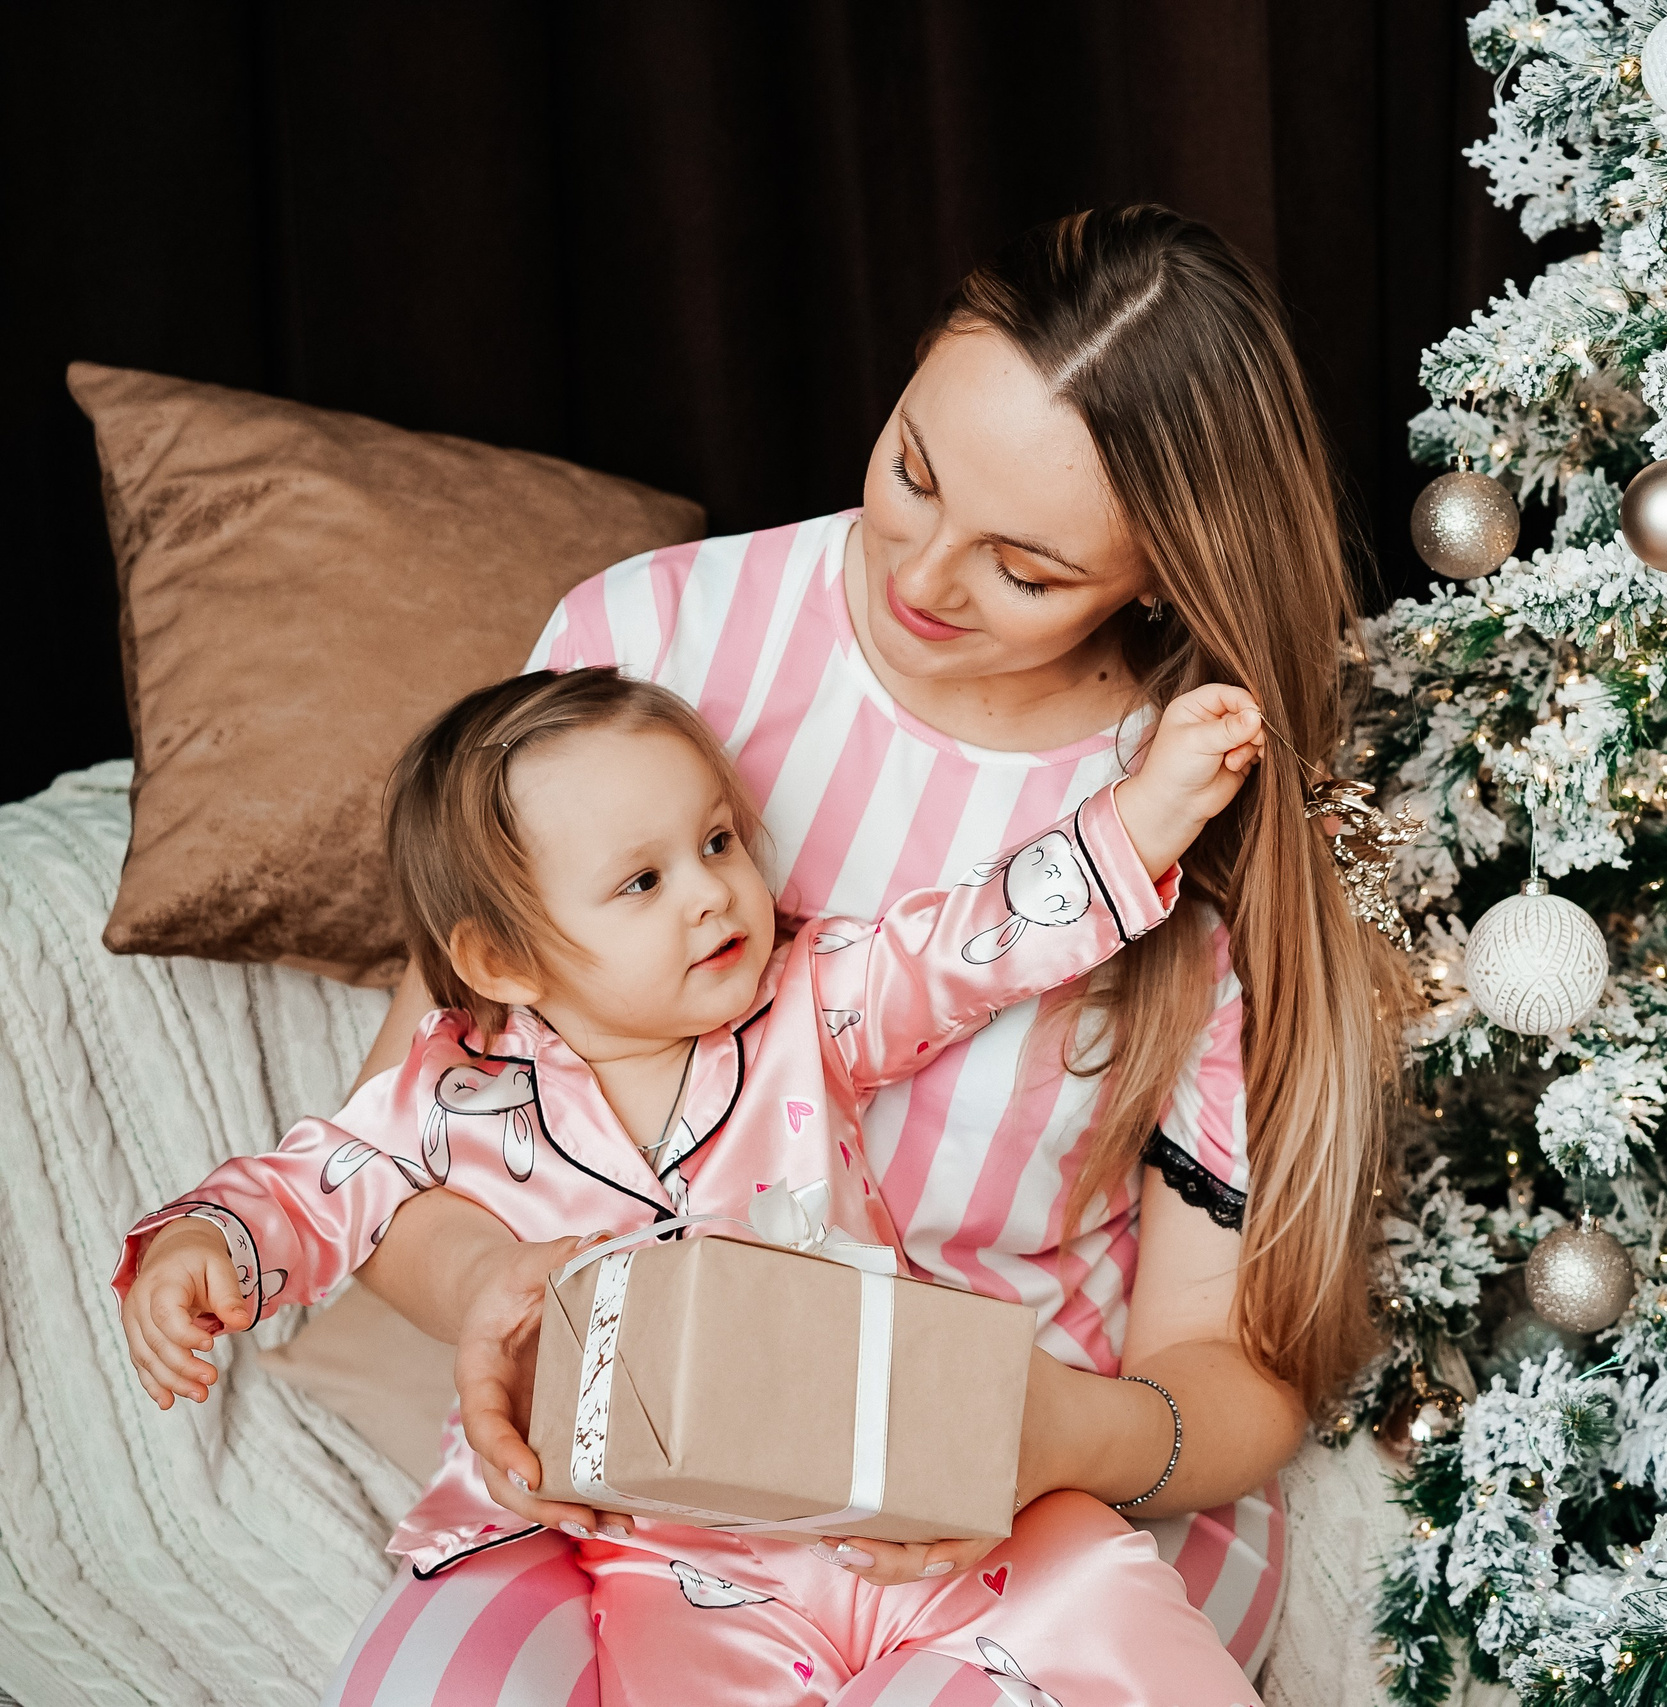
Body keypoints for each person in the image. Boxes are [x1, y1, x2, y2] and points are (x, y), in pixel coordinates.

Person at [315, 204, 1410, 1705]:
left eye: (1025, 569)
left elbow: (1229, 1376)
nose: (926, 576)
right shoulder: (648, 641)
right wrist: (505, 1284)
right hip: (632, 1470)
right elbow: (396, 1144)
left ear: (1158, 577)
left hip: (1032, 1491)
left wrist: (1048, 1434)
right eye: (911, 468)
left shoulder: (1198, 810)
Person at [119, 665, 1269, 1705]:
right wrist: (203, 1245)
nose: (711, 895)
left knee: (1107, 1618)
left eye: (718, 842)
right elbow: (313, 1182)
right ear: (501, 961)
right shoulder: (450, 1095)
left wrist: (1146, 814)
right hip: (670, 1557)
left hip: (906, 1475)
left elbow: (977, 936)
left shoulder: (808, 1004)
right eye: (641, 882)